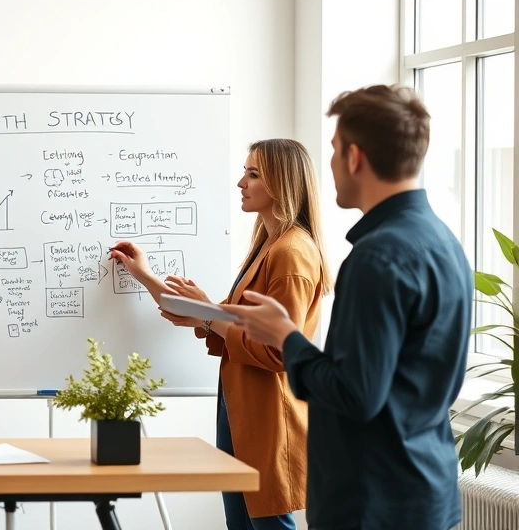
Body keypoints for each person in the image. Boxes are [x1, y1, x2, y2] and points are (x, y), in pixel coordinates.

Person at [222, 85, 471, 530]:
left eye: (335, 150)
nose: (331, 165)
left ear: (354, 157)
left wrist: (286, 338)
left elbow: (355, 393)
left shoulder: (378, 256)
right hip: (426, 489)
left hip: (373, 501)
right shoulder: (443, 242)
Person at [111, 139, 331, 530]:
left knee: (268, 524)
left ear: (282, 182)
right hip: (241, 406)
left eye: (253, 174)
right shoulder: (268, 244)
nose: (240, 183)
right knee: (243, 524)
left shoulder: (291, 252)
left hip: (267, 412)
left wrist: (209, 318)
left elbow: (281, 350)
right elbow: (220, 319)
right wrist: (144, 274)